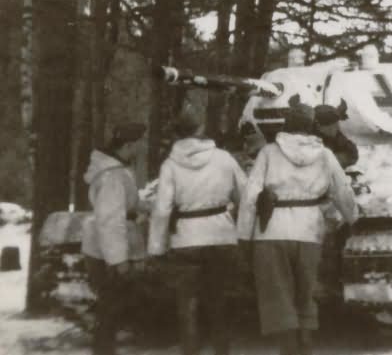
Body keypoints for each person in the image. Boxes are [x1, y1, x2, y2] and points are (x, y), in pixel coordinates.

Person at [237, 96, 358, 355]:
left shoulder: (268, 152)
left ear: (286, 124)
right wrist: (352, 219)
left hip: (271, 231)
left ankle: (288, 349)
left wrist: (244, 235)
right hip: (309, 230)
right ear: (311, 126)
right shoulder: (325, 154)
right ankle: (305, 346)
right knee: (306, 292)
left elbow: (250, 195)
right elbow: (342, 191)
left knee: (278, 295)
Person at [148, 112, 245, 355]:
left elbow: (162, 210)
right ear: (200, 128)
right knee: (218, 303)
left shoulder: (170, 165)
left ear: (176, 133)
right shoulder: (224, 158)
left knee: (187, 306)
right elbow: (244, 196)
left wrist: (156, 248)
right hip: (221, 236)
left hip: (187, 239)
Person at [81, 122, 148, 354]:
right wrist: (119, 260)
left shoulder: (115, 171)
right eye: (138, 145)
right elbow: (111, 220)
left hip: (101, 248)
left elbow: (128, 204)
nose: (140, 150)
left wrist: (150, 206)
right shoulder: (113, 176)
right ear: (128, 145)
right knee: (110, 311)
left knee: (109, 309)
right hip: (108, 252)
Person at [313, 101, 359, 169]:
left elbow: (352, 153)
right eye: (333, 125)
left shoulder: (335, 135)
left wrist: (338, 158)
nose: (337, 127)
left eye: (337, 124)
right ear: (319, 127)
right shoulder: (310, 139)